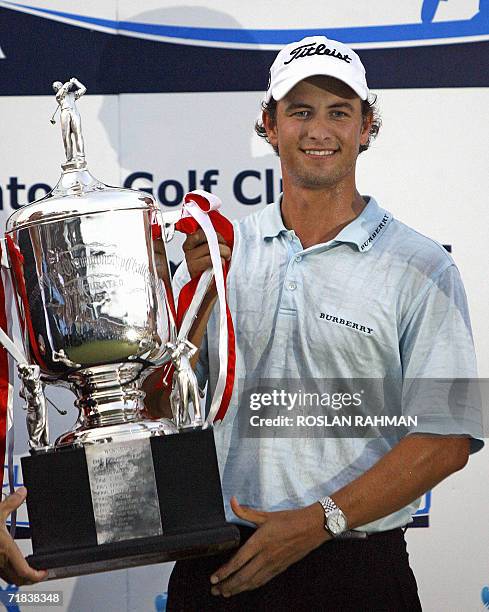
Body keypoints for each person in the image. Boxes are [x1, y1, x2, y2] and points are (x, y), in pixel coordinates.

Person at [159, 35, 484, 610]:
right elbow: (162, 412)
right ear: (269, 124)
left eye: (339, 113)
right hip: (219, 564)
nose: (318, 131)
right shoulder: (218, 252)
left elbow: (449, 436)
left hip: (356, 566)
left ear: (367, 128)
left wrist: (319, 521)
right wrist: (200, 296)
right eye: (300, 112)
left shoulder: (422, 264)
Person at [52, 77, 87, 165]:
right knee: (66, 136)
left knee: (78, 134)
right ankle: (69, 158)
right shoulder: (59, 96)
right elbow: (62, 91)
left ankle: (81, 156)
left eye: (59, 85)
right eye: (56, 87)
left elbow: (83, 89)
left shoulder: (72, 95)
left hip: (74, 112)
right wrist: (68, 83)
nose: (58, 87)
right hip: (65, 113)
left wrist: (76, 82)